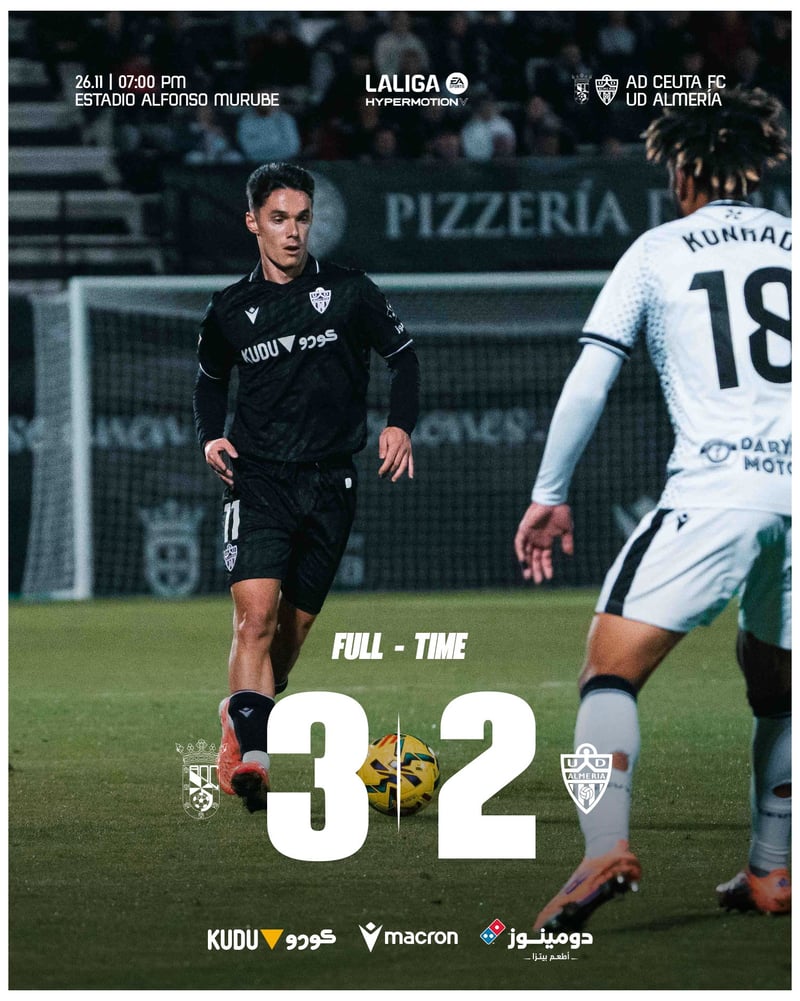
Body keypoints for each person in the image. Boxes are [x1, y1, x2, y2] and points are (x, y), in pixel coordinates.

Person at [513, 88, 791, 930]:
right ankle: (773, 869)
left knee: (609, 669)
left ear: (682, 173)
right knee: (779, 682)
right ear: (755, 168)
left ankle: (604, 849)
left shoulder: (657, 250)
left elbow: (591, 378)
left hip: (716, 488)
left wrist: (549, 494)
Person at [193, 162, 420, 813]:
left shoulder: (350, 291)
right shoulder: (229, 308)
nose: (292, 232)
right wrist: (211, 436)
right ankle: (255, 760)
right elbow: (210, 380)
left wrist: (399, 424)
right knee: (254, 620)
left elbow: (403, 358)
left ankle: (240, 715)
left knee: (286, 645)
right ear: (253, 223)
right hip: (258, 479)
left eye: (301, 218)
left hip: (331, 483)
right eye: (278, 219)